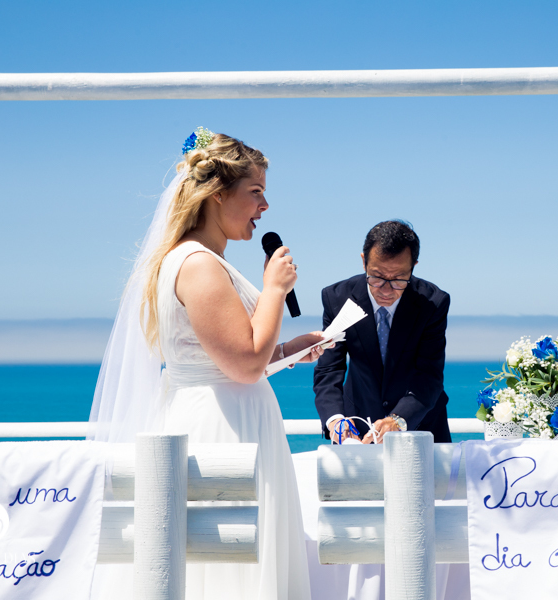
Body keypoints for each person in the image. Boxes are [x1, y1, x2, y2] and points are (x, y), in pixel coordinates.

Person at [89, 129, 320, 600]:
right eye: (255, 192)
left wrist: (291, 349)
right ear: (217, 195)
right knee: (224, 570)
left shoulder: (204, 260)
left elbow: (230, 355)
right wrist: (274, 289)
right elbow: (244, 365)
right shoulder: (198, 264)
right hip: (221, 428)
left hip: (233, 415)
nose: (265, 207)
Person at [313, 220, 452, 444]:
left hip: (421, 425)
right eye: (376, 277)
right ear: (363, 262)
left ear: (414, 266)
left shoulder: (433, 303)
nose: (386, 290)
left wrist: (398, 420)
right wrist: (335, 420)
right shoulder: (337, 298)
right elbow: (329, 368)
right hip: (356, 428)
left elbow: (429, 376)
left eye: (398, 279)